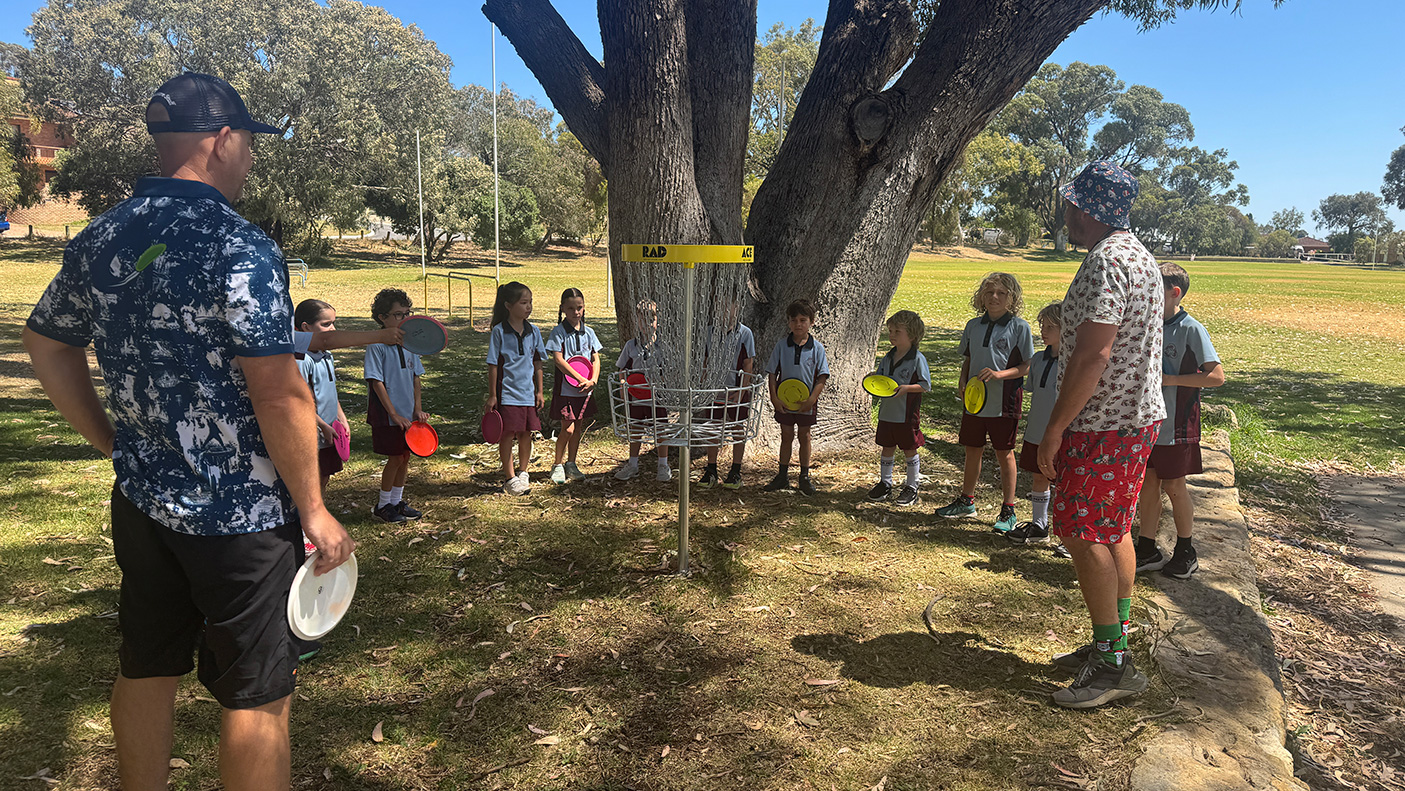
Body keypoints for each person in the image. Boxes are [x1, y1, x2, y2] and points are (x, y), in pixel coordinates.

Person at [22, 72, 353, 791]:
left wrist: (113, 442)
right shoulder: (239, 244)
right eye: (248, 144)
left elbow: (46, 343)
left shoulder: (102, 235)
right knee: (257, 694)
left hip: (142, 501)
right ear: (222, 140)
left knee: (146, 665)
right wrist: (314, 508)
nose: (250, 159)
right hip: (241, 515)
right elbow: (278, 390)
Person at [1036, 160, 1165, 709]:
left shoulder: (1105, 261)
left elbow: (1094, 353)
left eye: (1070, 203)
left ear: (1086, 209)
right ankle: (1112, 638)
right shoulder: (1140, 255)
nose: (1065, 212)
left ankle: (1113, 665)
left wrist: (1054, 428)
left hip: (1101, 423)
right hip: (1136, 418)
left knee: (1081, 531)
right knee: (1113, 530)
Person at [1135, 262, 1224, 579]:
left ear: (1174, 293)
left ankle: (1186, 551)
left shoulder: (1191, 329)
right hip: (1148, 422)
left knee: (1174, 485)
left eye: (1154, 289)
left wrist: (1172, 380)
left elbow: (1216, 376)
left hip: (1176, 425)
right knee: (1148, 484)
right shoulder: (1147, 325)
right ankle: (1147, 548)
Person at [935, 272, 1035, 534]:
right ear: (981, 296)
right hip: (975, 400)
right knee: (972, 449)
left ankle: (1008, 509)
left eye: (1001, 293)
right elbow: (968, 359)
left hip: (1004, 401)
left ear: (1012, 298)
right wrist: (962, 380)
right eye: (989, 292)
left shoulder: (1019, 327)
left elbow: (1027, 365)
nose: (994, 297)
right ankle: (967, 501)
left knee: (1004, 453)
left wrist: (1000, 375)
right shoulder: (973, 326)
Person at [364, 288, 428, 522]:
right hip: (388, 416)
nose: (405, 318)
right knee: (395, 458)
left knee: (405, 458)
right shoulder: (376, 345)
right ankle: (382, 506)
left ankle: (396, 502)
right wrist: (393, 414)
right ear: (383, 317)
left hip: (408, 415)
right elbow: (376, 382)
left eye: (407, 313)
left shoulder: (410, 344)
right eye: (399, 314)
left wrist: (417, 409)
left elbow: (416, 377)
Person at [1007, 301, 1063, 548]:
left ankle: (1069, 534)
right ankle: (1040, 525)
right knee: (1039, 477)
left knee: (1064, 483)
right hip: (1036, 431)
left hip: (1061, 435)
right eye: (1042, 326)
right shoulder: (1038, 359)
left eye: (1051, 327)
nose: (1044, 331)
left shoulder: (1073, 361)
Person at [763, 298, 829, 496]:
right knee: (786, 435)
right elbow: (772, 373)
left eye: (803, 320)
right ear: (788, 322)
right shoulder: (782, 346)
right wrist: (774, 398)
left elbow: (822, 376)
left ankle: (804, 477)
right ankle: (782, 476)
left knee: (804, 436)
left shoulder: (817, 349)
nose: (798, 324)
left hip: (805, 402)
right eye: (794, 320)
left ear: (812, 322)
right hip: (785, 401)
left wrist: (812, 400)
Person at [866, 310, 931, 507]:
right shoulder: (888, 356)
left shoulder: (917, 358)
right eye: (890, 331)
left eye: (897, 331)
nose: (892, 335)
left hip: (906, 414)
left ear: (911, 335)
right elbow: (881, 378)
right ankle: (885, 483)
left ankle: (912, 486)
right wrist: (872, 380)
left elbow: (925, 385)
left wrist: (906, 389)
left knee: (909, 449)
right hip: (887, 413)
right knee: (887, 447)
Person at [486, 281, 545, 496]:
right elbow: (493, 364)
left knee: (526, 433)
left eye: (530, 302)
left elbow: (538, 362)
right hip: (507, 393)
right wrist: (493, 395)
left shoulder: (534, 331)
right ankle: (510, 478)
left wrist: (539, 391)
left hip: (527, 393)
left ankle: (523, 472)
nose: (528, 307)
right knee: (507, 434)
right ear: (508, 306)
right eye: (523, 303)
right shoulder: (499, 331)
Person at [546, 287, 601, 484]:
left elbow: (595, 358)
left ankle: (571, 463)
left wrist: (593, 380)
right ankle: (557, 465)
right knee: (567, 429)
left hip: (584, 390)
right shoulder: (558, 332)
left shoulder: (589, 332)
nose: (576, 312)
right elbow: (558, 360)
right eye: (570, 308)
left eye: (579, 308)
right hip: (566, 390)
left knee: (577, 427)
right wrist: (578, 378)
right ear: (562, 308)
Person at [294, 299, 351, 492]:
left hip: (330, 429)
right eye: (326, 324)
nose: (333, 329)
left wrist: (341, 418)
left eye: (333, 323)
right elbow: (299, 401)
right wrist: (323, 426)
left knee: (324, 476)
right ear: (306, 327)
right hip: (311, 432)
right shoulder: (302, 359)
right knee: (310, 482)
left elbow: (330, 391)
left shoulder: (327, 355)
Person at [614, 299, 672, 483]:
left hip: (657, 396)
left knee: (660, 429)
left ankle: (663, 465)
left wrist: (663, 383)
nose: (647, 323)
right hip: (637, 396)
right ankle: (633, 464)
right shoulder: (631, 345)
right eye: (642, 319)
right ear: (637, 321)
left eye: (651, 318)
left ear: (657, 320)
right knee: (636, 428)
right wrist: (623, 386)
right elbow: (622, 369)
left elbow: (670, 371)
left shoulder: (663, 346)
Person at [698, 315, 756, 490]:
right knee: (713, 427)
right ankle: (711, 469)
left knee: (737, 428)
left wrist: (741, 391)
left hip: (736, 389)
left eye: (728, 306)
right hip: (715, 389)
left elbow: (748, 364)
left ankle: (736, 470)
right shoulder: (709, 332)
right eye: (720, 305)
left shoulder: (745, 333)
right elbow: (705, 361)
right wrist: (705, 387)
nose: (724, 310)